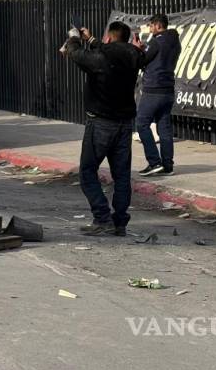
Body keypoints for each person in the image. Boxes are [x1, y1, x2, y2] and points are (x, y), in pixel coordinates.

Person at [61, 21, 142, 236]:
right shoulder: (134, 55)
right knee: (122, 175)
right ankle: (120, 222)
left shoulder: (101, 58)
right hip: (124, 124)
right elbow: (116, 52)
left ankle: (102, 217)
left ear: (109, 37)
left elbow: (77, 54)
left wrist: (74, 37)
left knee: (87, 172)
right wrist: (92, 39)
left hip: (101, 123)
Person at [131, 13, 182, 176]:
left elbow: (142, 61)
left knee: (141, 124)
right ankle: (167, 165)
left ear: (158, 26)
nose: (151, 28)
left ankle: (154, 162)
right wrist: (145, 48)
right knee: (164, 127)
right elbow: (156, 56)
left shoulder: (157, 41)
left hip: (153, 88)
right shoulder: (175, 42)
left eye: (152, 26)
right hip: (168, 89)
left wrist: (137, 49)